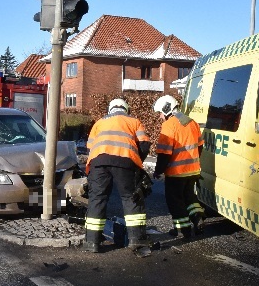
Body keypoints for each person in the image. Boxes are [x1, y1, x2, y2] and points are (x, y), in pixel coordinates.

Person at [84, 98, 152, 254]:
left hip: (98, 162)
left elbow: (90, 146)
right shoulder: (134, 121)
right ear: (126, 109)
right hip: (125, 162)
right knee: (131, 198)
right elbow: (145, 144)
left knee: (97, 199)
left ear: (110, 109)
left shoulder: (99, 122)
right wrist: (136, 162)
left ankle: (91, 242)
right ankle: (137, 240)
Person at [152, 95, 205, 238]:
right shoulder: (192, 122)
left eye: (160, 113)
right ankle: (197, 216)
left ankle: (183, 230)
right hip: (193, 170)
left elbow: (164, 154)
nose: (160, 117)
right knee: (189, 197)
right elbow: (200, 147)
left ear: (166, 108)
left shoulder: (169, 126)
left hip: (176, 173)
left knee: (175, 202)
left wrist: (158, 171)